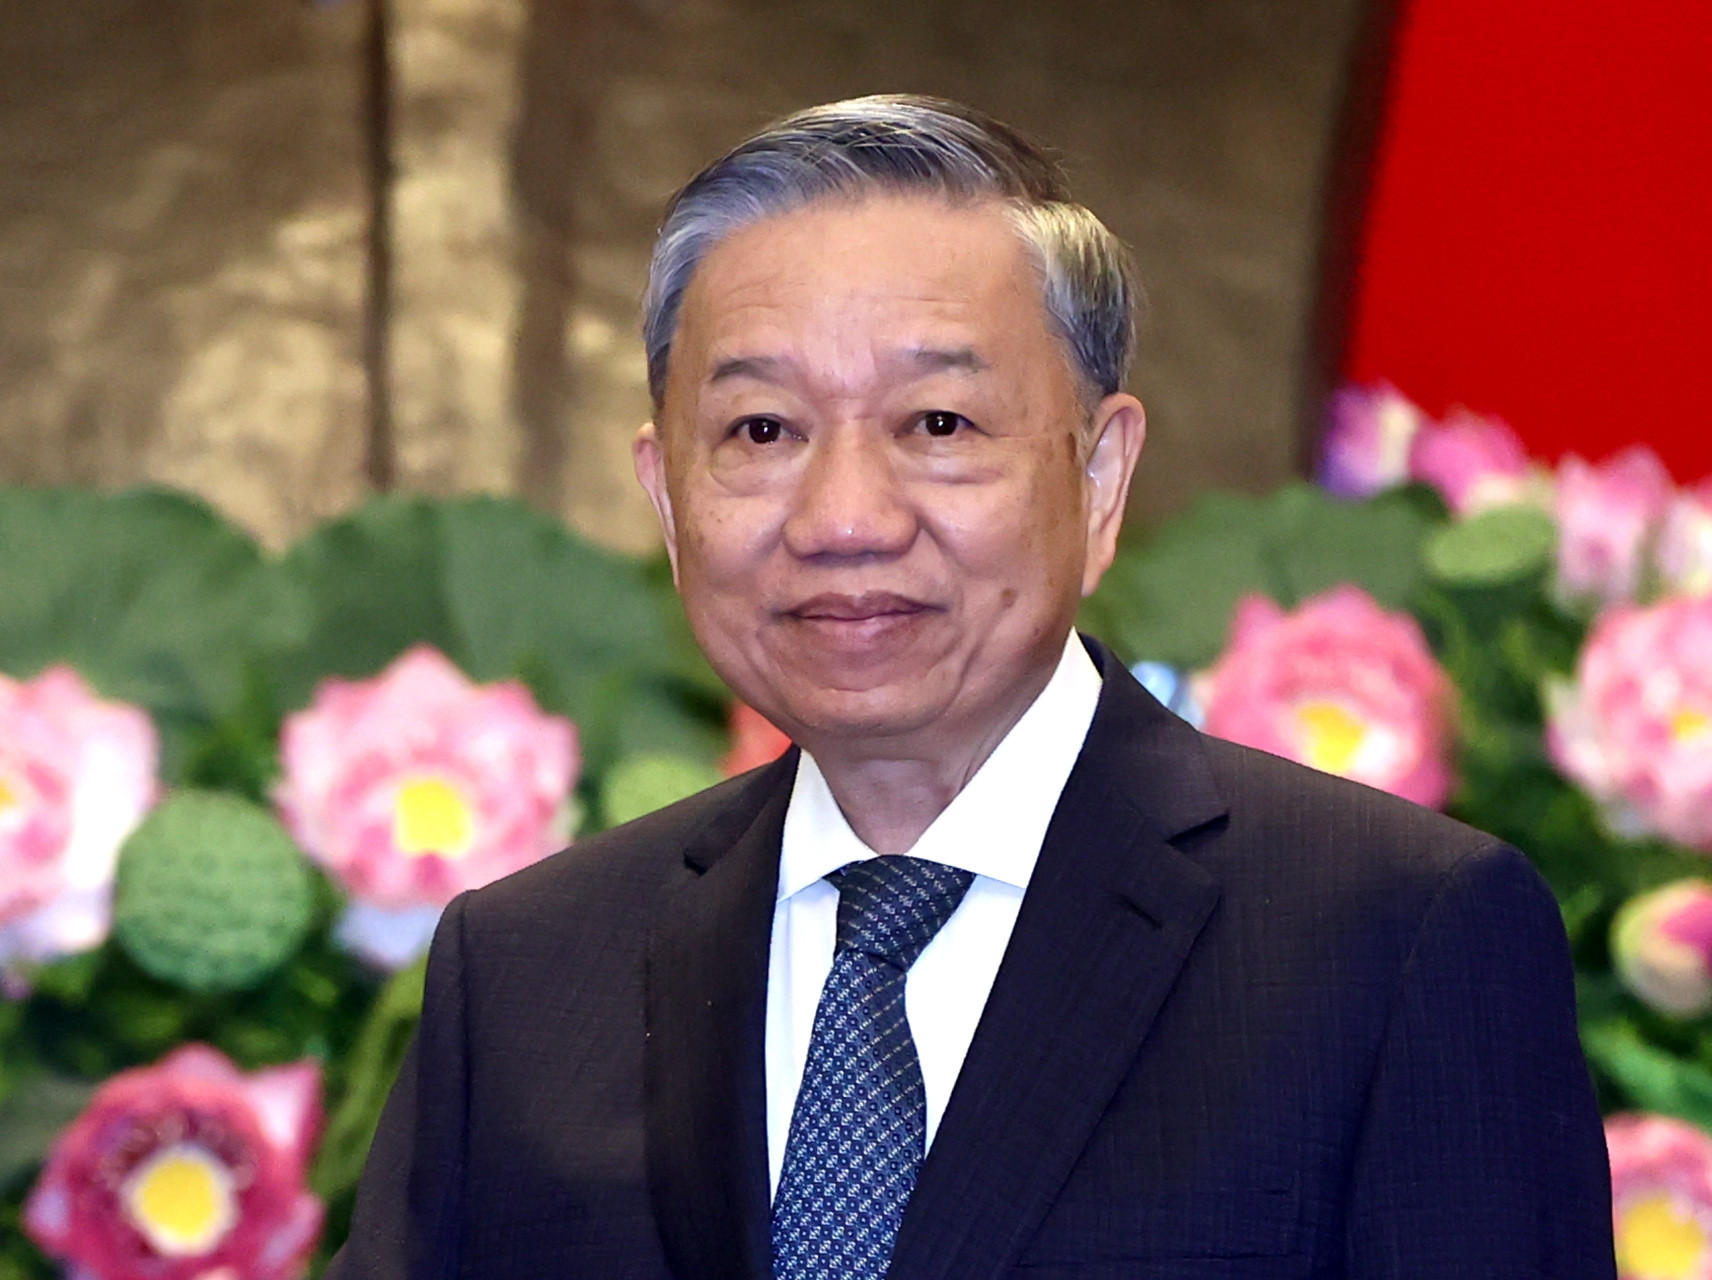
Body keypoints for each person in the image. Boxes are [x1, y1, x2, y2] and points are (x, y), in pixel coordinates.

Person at [329, 95, 1615, 1279]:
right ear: (668, 497)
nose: (844, 518)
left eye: (938, 424)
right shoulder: (528, 973)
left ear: (1099, 478)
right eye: (762, 430)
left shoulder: (1396, 940)